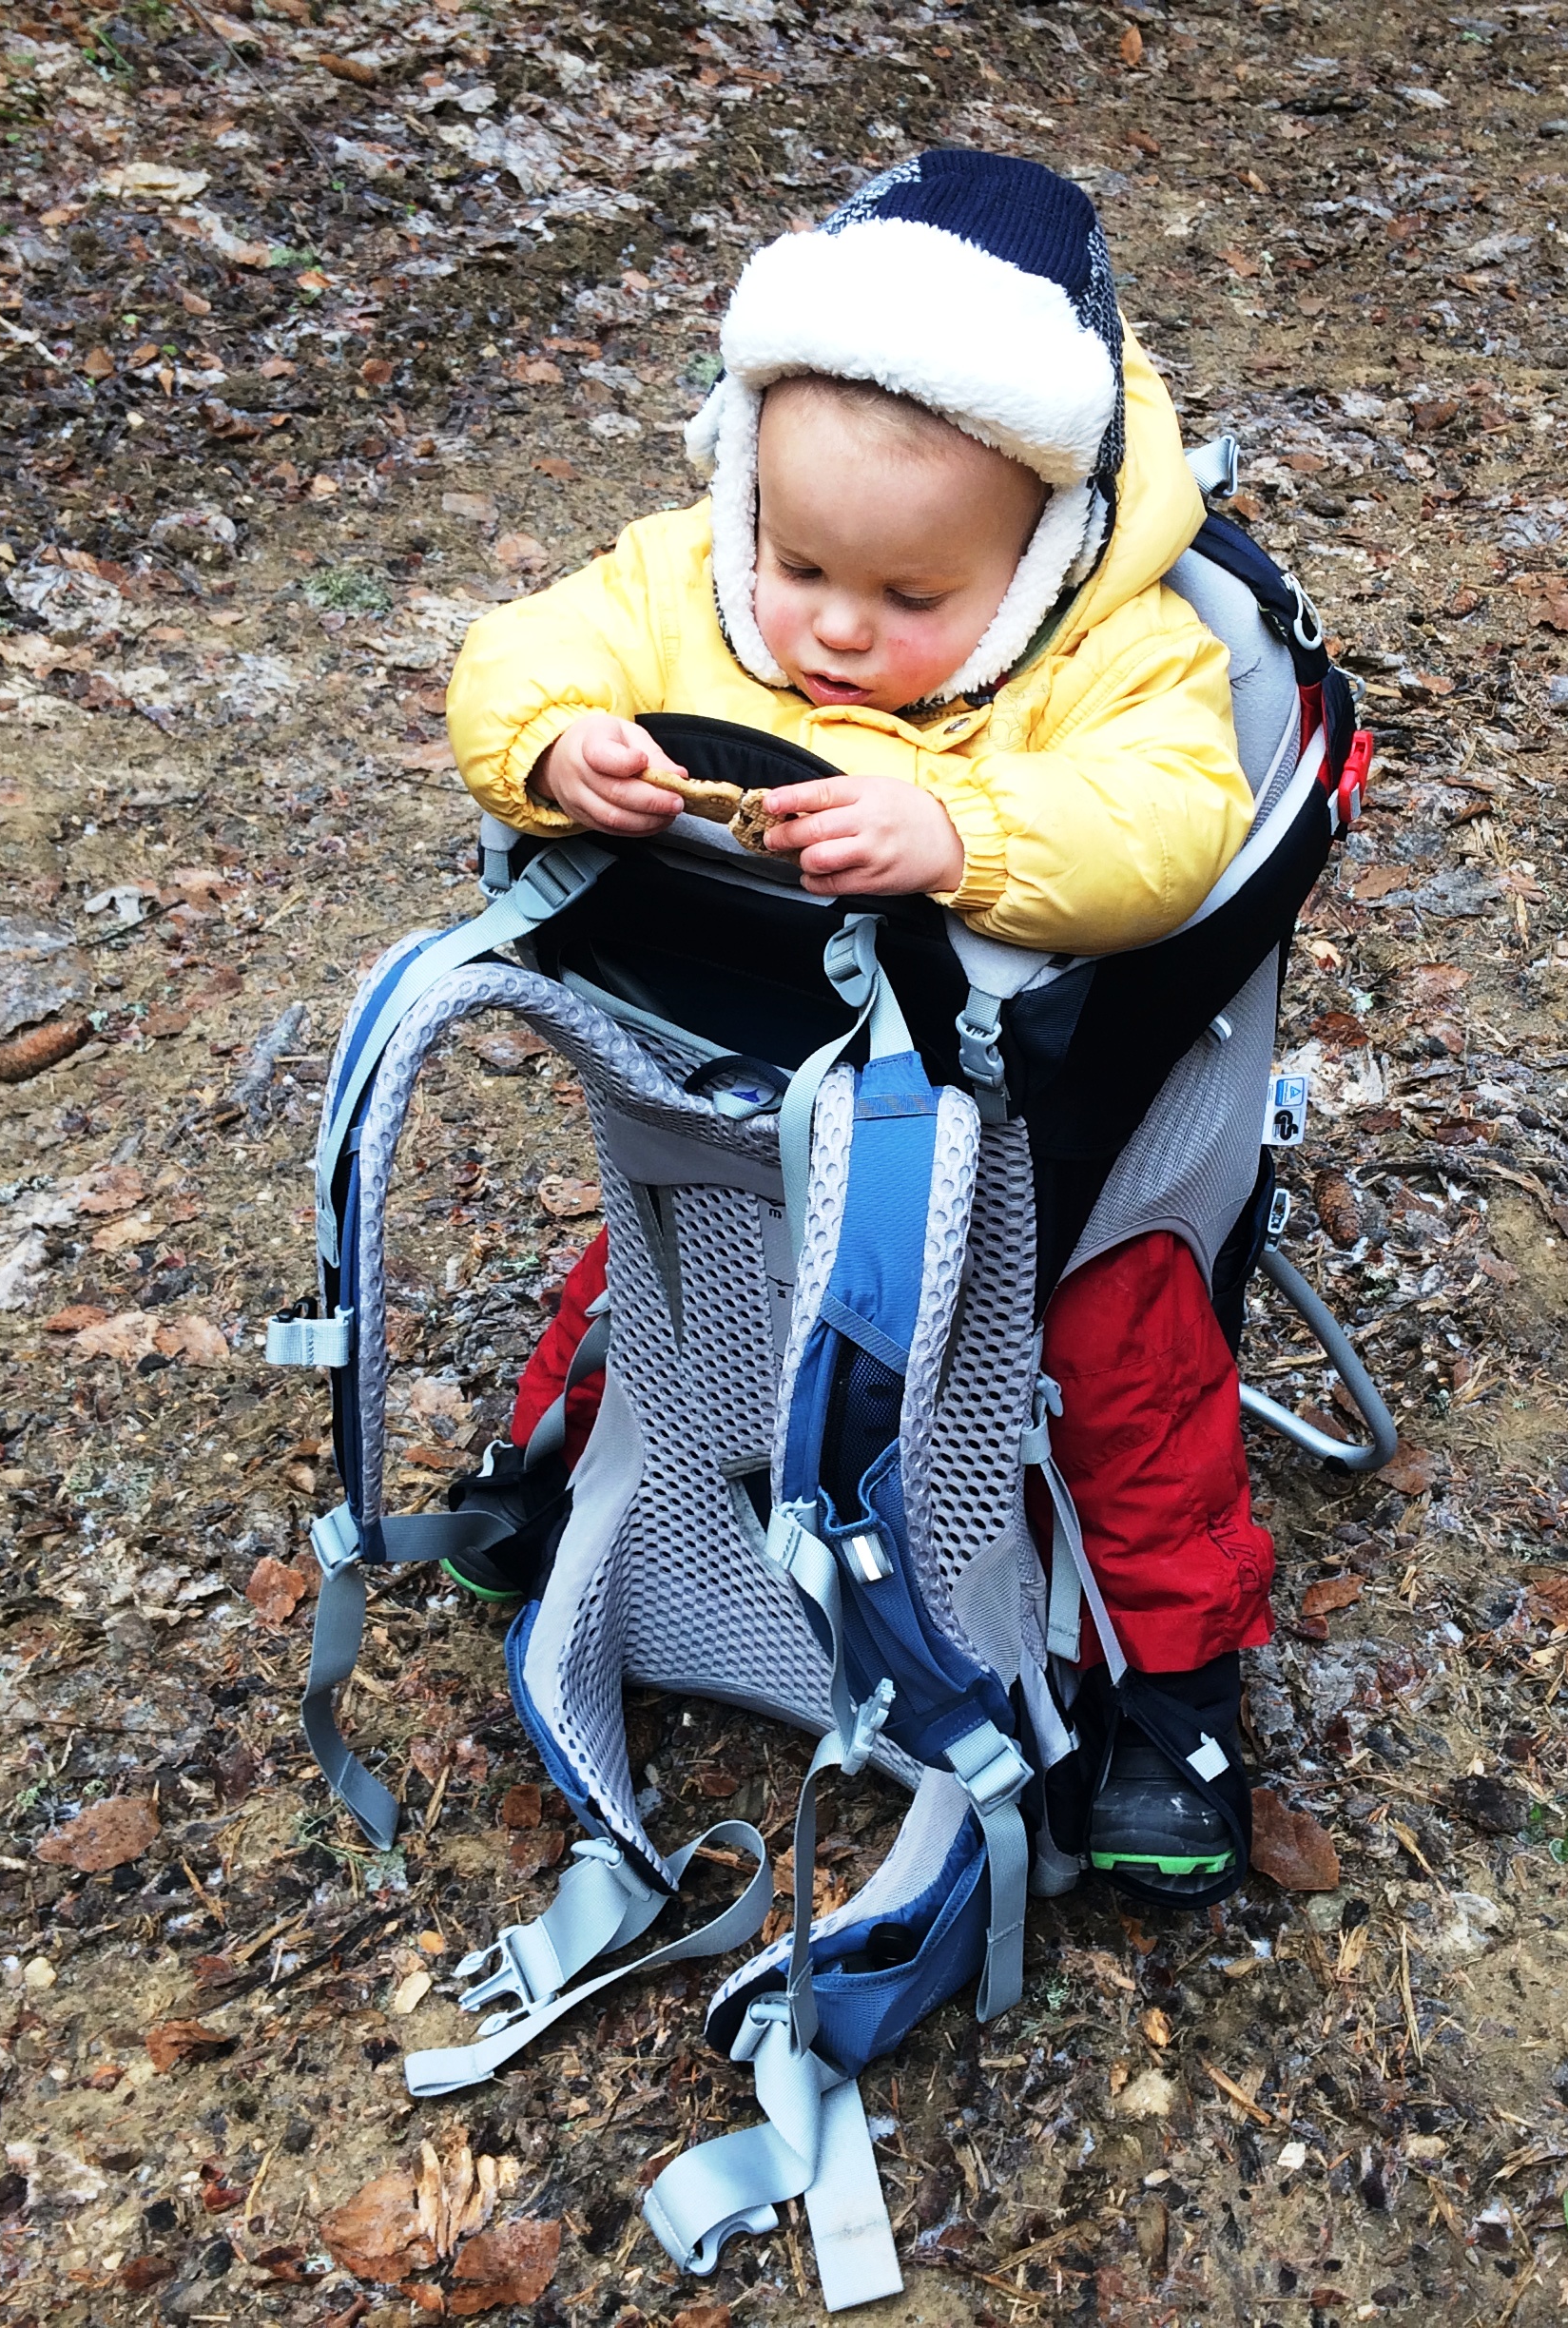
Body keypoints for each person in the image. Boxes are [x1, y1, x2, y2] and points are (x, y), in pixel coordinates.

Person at [443, 148, 1271, 1896]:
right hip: (746, 1093)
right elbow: (517, 650)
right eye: (802, 563)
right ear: (744, 487)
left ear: (1044, 551)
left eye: (911, 602)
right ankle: (579, 1460)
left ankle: (1180, 1683)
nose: (831, 630)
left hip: (1035, 1133)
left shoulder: (1111, 650)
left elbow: (1171, 818)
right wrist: (553, 748)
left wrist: (973, 833)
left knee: (1129, 1360)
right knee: (663, 1245)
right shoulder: (694, 578)